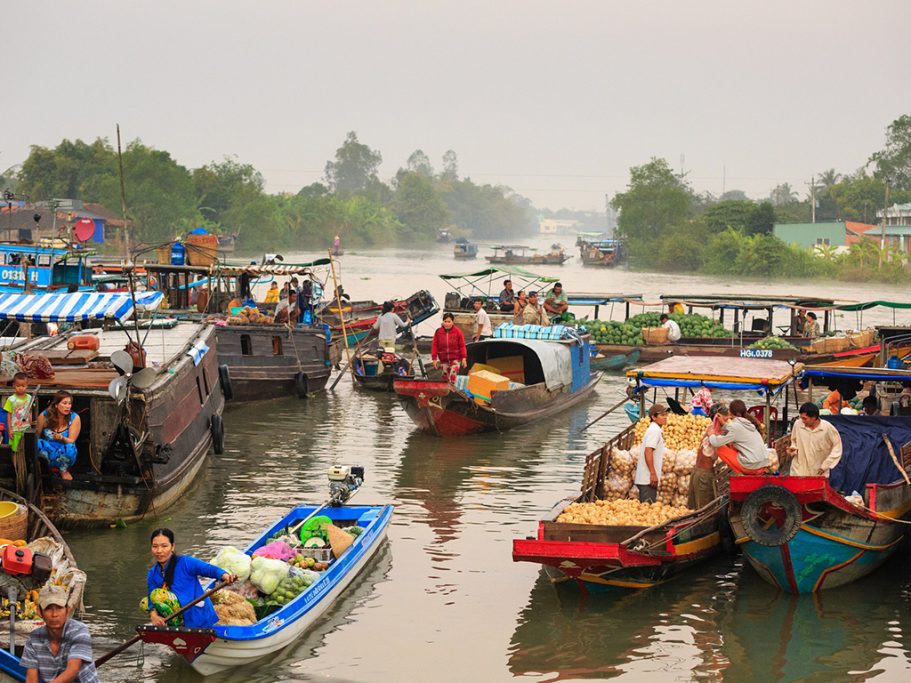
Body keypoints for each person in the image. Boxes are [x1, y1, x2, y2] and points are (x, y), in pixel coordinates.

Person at [147, 528, 237, 629]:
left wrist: (225, 576)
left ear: (172, 546)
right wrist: (154, 616)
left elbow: (209, 569)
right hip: (175, 620)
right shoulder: (152, 573)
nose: (159, 551)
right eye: (155, 546)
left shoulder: (186, 562)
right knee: (147, 600)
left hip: (197, 616)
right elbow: (151, 600)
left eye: (164, 546)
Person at [21, 584, 98, 683]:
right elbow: (31, 679)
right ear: (39, 612)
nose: (54, 614)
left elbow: (72, 670)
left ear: (67, 610)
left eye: (59, 608)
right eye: (48, 609)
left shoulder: (79, 631)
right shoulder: (33, 639)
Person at [708, 399, 770, 474]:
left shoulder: (734, 426)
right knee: (731, 445)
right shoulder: (747, 423)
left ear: (730, 412)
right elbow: (734, 430)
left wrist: (711, 434)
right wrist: (724, 424)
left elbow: (715, 442)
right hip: (762, 463)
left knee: (719, 448)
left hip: (752, 466)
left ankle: (740, 473)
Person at [787, 402, 843, 477]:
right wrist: (793, 450)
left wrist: (826, 465)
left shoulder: (827, 428)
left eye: (805, 418)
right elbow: (794, 441)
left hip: (819, 471)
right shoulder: (797, 424)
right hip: (799, 470)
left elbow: (837, 447)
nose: (802, 421)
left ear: (814, 417)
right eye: (801, 418)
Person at [36, 391, 80, 481]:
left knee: (70, 447)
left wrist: (62, 438)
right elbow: (36, 435)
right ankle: (44, 468)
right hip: (48, 453)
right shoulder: (44, 416)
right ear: (56, 405)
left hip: (64, 455)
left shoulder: (74, 417)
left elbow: (72, 440)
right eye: (64, 403)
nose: (68, 406)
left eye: (69, 404)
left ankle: (63, 470)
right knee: (38, 443)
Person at [688, 402, 726, 509]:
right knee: (705, 509)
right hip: (704, 475)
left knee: (696, 508)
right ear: (719, 417)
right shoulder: (717, 433)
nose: (728, 421)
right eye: (726, 418)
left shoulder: (710, 428)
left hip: (697, 472)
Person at [636, 404, 667, 503]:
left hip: (647, 478)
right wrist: (653, 473)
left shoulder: (655, 429)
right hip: (647, 479)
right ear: (653, 417)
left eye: (665, 414)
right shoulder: (655, 431)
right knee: (646, 509)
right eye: (662, 415)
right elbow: (648, 450)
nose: (665, 417)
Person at [431, 313, 467, 380]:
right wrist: (434, 358)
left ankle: (451, 389)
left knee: (452, 376)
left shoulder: (457, 332)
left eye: (449, 322)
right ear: (443, 322)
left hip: (455, 359)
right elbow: (434, 345)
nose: (447, 324)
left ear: (452, 322)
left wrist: (464, 358)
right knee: (445, 378)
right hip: (444, 360)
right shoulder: (438, 332)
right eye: (445, 321)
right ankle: (446, 389)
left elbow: (462, 346)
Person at [5, 372, 32, 451]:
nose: (20, 388)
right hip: (15, 430)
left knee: (25, 450)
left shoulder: (30, 398)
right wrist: (9, 429)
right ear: (13, 385)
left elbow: (30, 411)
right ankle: (14, 464)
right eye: (18, 386)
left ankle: (24, 464)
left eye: (23, 386)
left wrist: (31, 422)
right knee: (14, 450)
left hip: (26, 430)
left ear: (27, 385)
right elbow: (9, 415)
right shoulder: (11, 399)